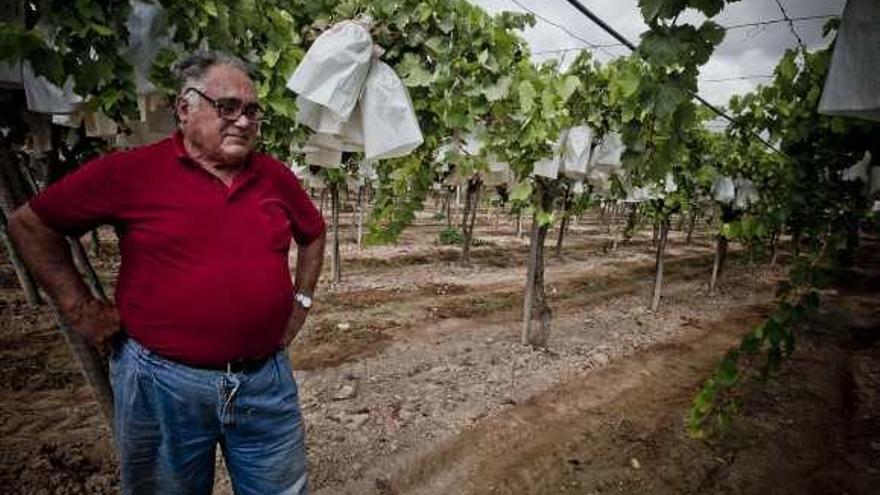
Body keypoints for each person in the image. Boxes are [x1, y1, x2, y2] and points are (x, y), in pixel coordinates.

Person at [8, 50, 326, 494]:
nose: (243, 120)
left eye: (252, 111)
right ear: (184, 108)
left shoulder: (274, 176)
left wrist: (301, 302)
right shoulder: (132, 172)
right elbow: (30, 223)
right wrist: (77, 306)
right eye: (228, 106)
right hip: (162, 384)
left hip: (263, 383)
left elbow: (313, 233)